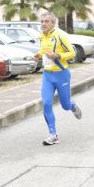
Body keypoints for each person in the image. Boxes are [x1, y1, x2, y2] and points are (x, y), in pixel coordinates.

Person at [33, 12, 82, 146]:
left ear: (53, 23)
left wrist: (58, 56)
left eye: (46, 21)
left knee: (65, 105)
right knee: (46, 103)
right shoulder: (41, 36)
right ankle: (53, 135)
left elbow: (72, 53)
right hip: (47, 75)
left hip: (61, 74)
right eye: (42, 21)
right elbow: (44, 51)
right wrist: (38, 55)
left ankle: (72, 105)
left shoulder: (61, 35)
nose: (43, 24)